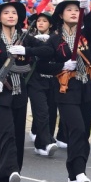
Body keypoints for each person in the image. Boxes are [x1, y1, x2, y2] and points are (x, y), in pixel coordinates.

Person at [0, 1, 52, 182]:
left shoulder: (25, 38)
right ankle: (10, 170)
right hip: (0, 93)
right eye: (6, 13)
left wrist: (27, 50)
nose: (10, 16)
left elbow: (48, 50)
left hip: (19, 93)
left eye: (14, 13)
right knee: (5, 133)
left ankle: (13, 172)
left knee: (17, 135)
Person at [46, 0, 91, 182]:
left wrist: (89, 11)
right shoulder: (54, 39)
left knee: (84, 132)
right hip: (65, 90)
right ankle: (78, 173)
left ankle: (76, 172)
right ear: (61, 15)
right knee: (76, 129)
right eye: (69, 10)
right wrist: (61, 66)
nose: (74, 12)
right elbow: (43, 64)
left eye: (77, 10)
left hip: (86, 87)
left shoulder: (84, 35)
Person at [26, 12, 59, 157]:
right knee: (41, 111)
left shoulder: (56, 39)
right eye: (38, 21)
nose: (40, 23)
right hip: (35, 79)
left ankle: (41, 144)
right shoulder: (29, 39)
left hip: (52, 79)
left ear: (50, 24)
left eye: (44, 21)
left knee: (52, 112)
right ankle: (48, 141)